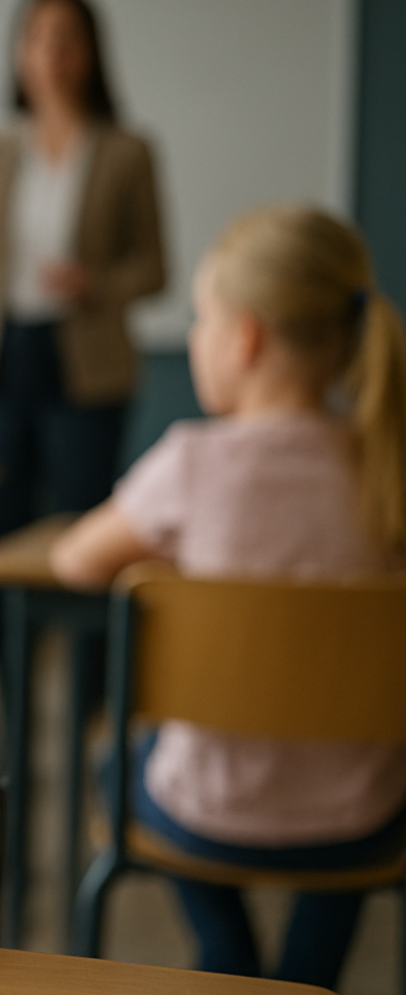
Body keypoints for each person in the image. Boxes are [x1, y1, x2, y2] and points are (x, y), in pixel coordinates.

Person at [51, 206, 406, 988]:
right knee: (364, 773)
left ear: (244, 337)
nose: (194, 336)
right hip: (365, 822)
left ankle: (228, 956)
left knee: (116, 759)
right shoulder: (387, 467)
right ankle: (310, 976)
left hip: (206, 816)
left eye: (200, 318)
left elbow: (75, 561)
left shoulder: (191, 464)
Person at [0, 0, 166, 543]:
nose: (50, 53)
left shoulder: (129, 150)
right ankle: (7, 637)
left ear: (93, 52)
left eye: (66, 39)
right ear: (19, 52)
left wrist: (95, 283)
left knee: (84, 522)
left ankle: (87, 637)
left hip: (87, 361)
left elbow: (155, 269)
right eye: (36, 37)